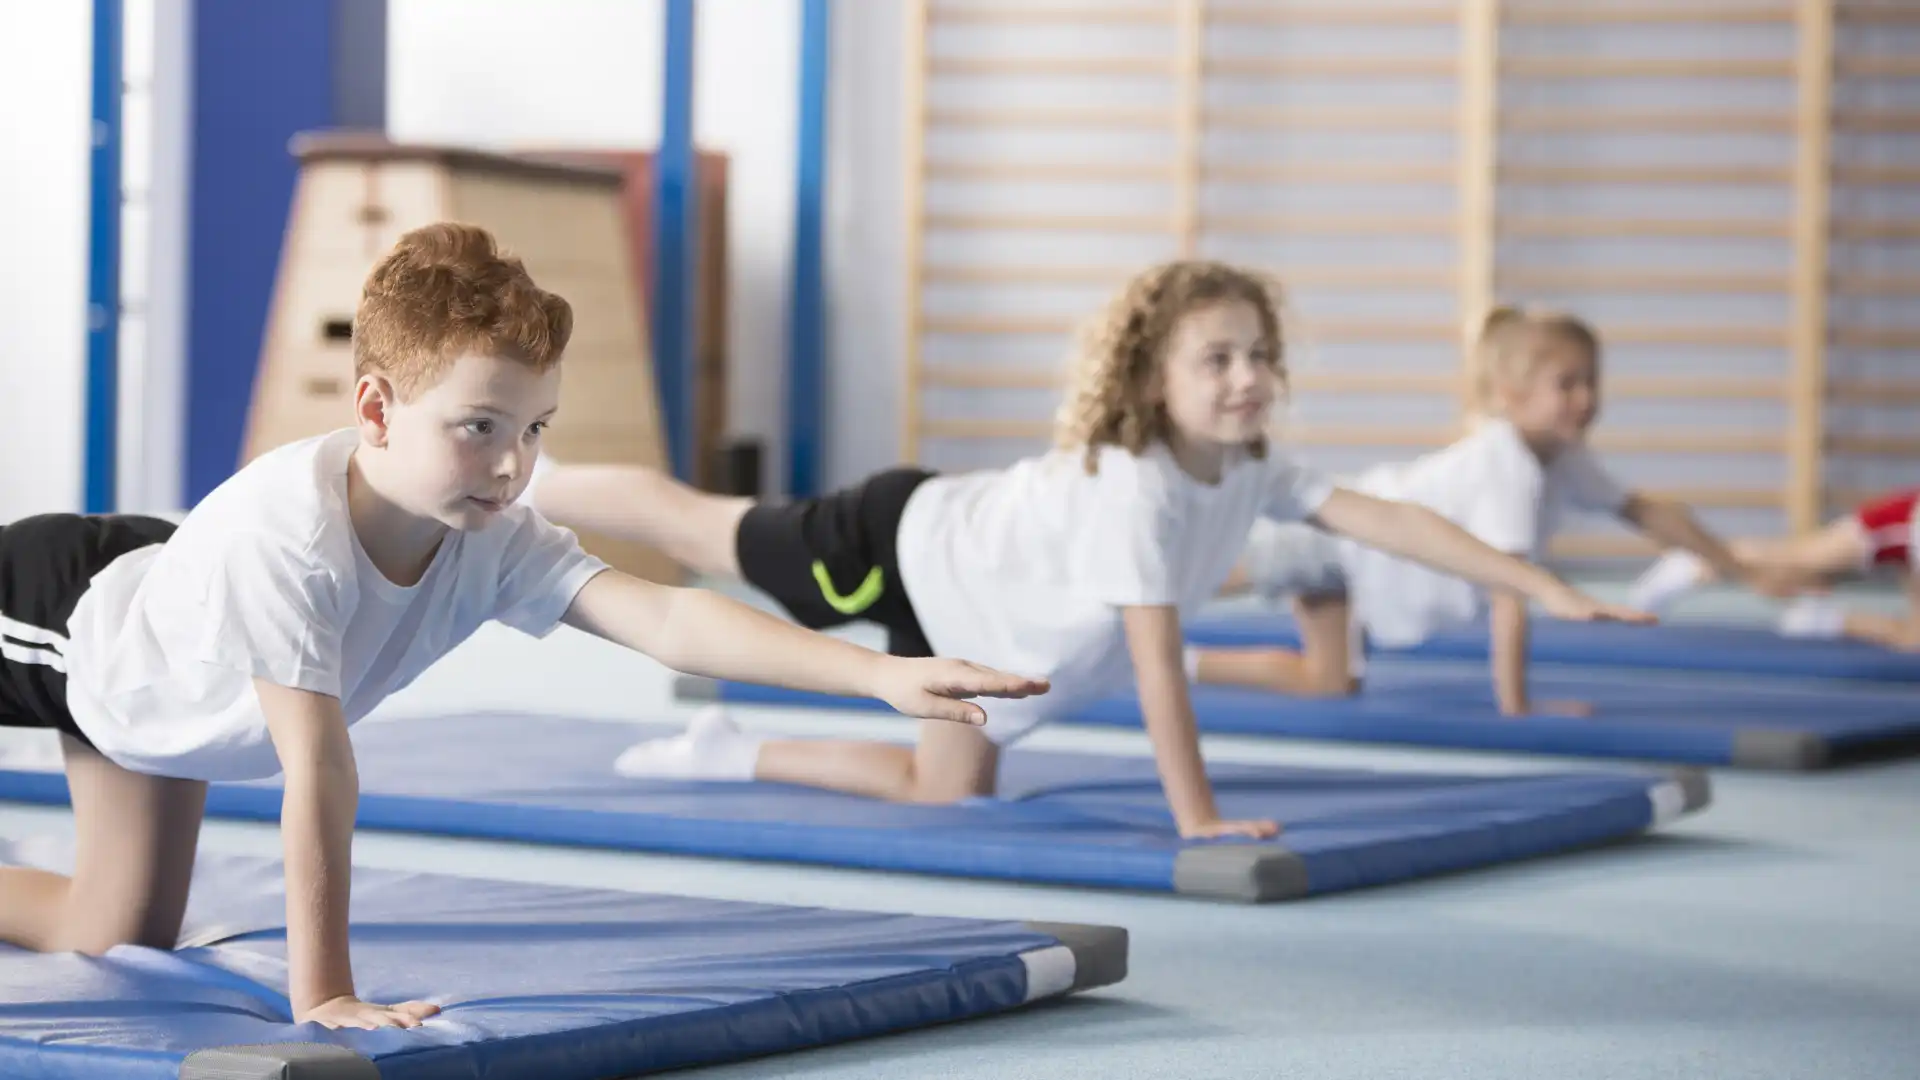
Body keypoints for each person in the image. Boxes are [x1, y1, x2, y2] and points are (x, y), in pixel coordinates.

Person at [0, 223, 1042, 1032]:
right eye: (478, 429)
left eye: (534, 430)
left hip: (154, 688)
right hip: (63, 614)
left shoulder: (489, 533)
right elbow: (315, 770)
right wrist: (325, 996)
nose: (512, 465)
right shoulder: (291, 544)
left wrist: (877, 676)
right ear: (374, 411)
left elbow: (666, 616)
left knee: (115, 932)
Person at [525, 262, 1650, 838]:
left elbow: (1389, 521)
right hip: (899, 544)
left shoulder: (1251, 464)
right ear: (1152, 379)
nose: (1247, 377)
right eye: (1215, 359)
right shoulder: (1138, 493)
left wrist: (1534, 579)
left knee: (943, 796)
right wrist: (1195, 817)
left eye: (1257, 354)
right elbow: (1158, 673)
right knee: (695, 523)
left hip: (973, 616)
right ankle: (539, 477)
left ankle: (728, 749)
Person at [1193, 305, 1811, 715]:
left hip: (1362, 564)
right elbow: (1508, 594)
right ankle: (1124, 617)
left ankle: (1180, 663)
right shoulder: (1506, 464)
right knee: (1191, 583)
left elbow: (1652, 515)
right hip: (1335, 536)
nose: (1587, 398)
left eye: (1592, 381)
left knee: (1330, 683)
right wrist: (1518, 707)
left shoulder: (1562, 456)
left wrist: (1740, 568)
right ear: (1511, 395)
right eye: (1566, 384)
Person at [1631, 488, 1918, 651]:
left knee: (1914, 640)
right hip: (1906, 524)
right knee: (1793, 561)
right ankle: (1693, 564)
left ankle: (1823, 621)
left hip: (1909, 530)